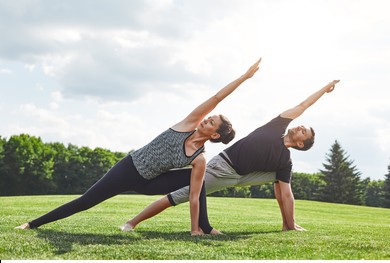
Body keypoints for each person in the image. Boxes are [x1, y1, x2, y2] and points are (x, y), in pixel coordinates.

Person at [15, 58, 262, 236]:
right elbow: (217, 97)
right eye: (209, 117)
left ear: (215, 134)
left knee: (198, 183)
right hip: (129, 169)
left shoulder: (200, 159)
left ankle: (204, 228)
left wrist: (194, 229)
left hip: (150, 182)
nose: (207, 119)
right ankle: (32, 224)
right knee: (86, 201)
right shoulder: (188, 123)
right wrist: (243, 77)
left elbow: (195, 195)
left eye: (211, 122)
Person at [120, 79, 340, 233]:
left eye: (303, 131)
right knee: (180, 195)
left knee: (282, 181)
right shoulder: (276, 127)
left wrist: (290, 222)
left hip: (245, 176)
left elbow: (286, 194)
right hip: (223, 168)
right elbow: (303, 105)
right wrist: (323, 89)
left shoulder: (285, 161)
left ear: (300, 143)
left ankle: (288, 225)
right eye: (302, 126)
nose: (300, 126)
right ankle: (132, 223)